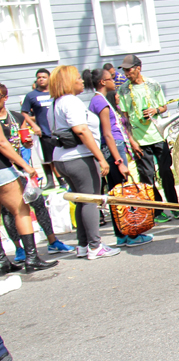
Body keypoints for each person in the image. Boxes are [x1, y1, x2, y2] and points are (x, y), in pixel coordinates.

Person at [49, 66, 119, 260]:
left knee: (81, 200)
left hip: (62, 158)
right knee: (91, 199)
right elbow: (81, 130)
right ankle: (95, 246)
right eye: (78, 78)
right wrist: (100, 157)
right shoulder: (71, 101)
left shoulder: (55, 103)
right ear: (68, 82)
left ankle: (83, 245)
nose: (82, 81)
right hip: (78, 157)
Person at [0, 83, 73, 259]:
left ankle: (52, 241)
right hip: (7, 169)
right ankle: (19, 249)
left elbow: (22, 139)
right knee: (10, 211)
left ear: (5, 98)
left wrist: (26, 144)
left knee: (38, 202)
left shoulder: (15, 117)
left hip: (19, 169)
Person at [84, 69, 153, 248]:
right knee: (122, 194)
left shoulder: (98, 100)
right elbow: (107, 134)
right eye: (110, 79)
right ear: (102, 82)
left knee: (115, 194)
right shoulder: (101, 102)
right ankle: (130, 235)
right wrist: (119, 162)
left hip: (113, 148)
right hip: (113, 149)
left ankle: (121, 235)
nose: (114, 81)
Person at [116, 55, 179, 223]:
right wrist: (131, 140)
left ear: (138, 68)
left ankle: (175, 206)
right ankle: (158, 210)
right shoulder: (123, 90)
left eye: (128, 69)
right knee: (147, 175)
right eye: (124, 70)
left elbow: (164, 106)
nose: (126, 73)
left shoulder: (153, 85)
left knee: (166, 171)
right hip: (139, 139)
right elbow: (124, 119)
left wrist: (155, 110)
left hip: (158, 134)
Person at [21, 68, 65, 189]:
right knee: (46, 158)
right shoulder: (31, 96)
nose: (41, 79)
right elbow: (24, 112)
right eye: (39, 77)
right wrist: (33, 125)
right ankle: (50, 181)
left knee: (58, 157)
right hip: (43, 132)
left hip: (58, 130)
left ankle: (62, 181)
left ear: (49, 78)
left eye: (44, 77)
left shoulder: (55, 92)